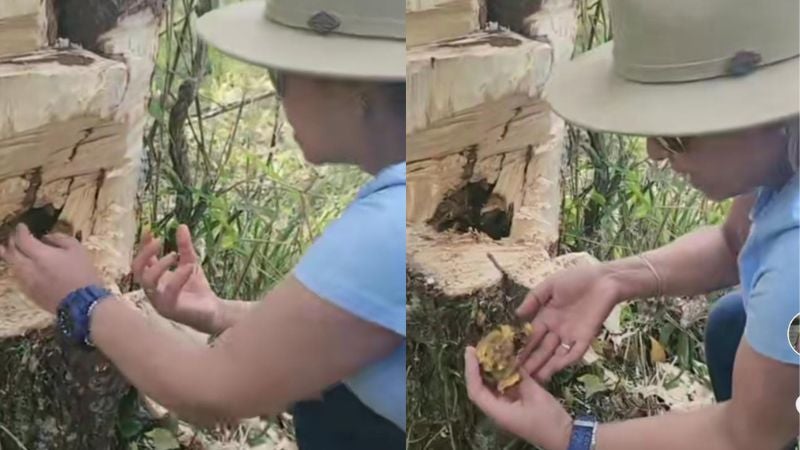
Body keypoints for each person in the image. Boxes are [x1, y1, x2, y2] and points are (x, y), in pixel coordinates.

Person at [0, 1, 406, 449]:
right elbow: (349, 327)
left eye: (281, 76)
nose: (277, 95)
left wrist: (84, 300)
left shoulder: (384, 229)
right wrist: (218, 313)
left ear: (358, 92)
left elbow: (211, 390)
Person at [465, 0, 799, 449]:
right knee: (732, 323)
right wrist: (614, 278)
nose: (655, 153)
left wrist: (571, 437)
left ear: (772, 114)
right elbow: (732, 244)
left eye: (677, 137)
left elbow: (746, 435)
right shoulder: (783, 154)